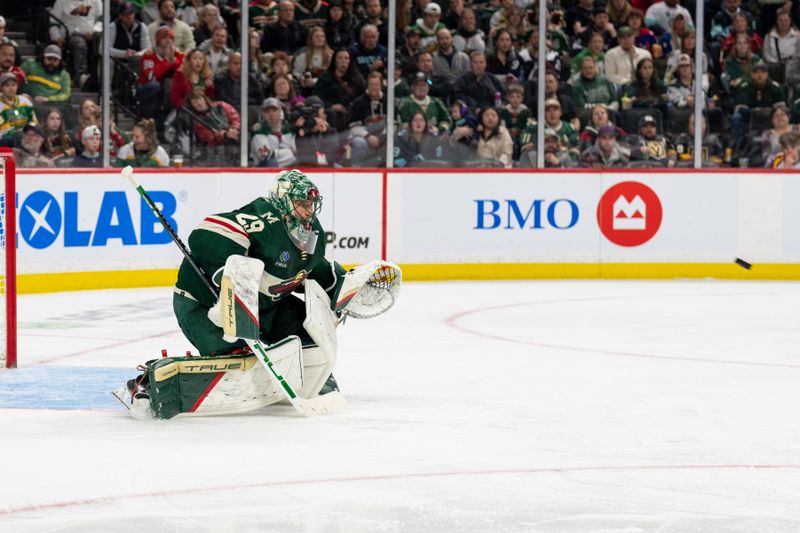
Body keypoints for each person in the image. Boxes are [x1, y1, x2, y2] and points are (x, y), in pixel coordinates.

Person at [49, 0, 102, 88]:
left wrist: (94, 31)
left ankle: (99, 78)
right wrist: (56, 36)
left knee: (102, 44)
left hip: (93, 34)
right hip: (71, 35)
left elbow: (102, 19)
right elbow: (53, 21)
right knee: (80, 44)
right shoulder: (61, 2)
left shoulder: (96, 1)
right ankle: (81, 77)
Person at [138, 26, 185, 121]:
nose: (168, 41)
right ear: (158, 40)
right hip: (147, 89)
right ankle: (147, 119)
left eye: (170, 38)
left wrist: (174, 61)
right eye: (164, 37)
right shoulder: (149, 55)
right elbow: (151, 77)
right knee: (155, 86)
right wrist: (167, 61)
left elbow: (182, 75)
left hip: (168, 90)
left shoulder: (178, 55)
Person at [250, 97, 297, 167]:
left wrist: (274, 152)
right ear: (263, 114)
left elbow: (297, 154)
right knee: (271, 163)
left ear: (280, 111)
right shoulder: (259, 133)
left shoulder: (289, 131)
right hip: (263, 171)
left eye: (274, 110)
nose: (271, 114)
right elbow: (266, 156)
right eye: (267, 111)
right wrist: (289, 152)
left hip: (288, 170)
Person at [0, 72, 36, 143]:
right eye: (7, 85)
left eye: (13, 85)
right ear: (1, 88)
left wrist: (28, 130)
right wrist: (16, 131)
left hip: (26, 135)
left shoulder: (25, 100)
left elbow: (33, 121)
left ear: (17, 86)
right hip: (5, 138)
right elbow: (2, 127)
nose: (11, 88)